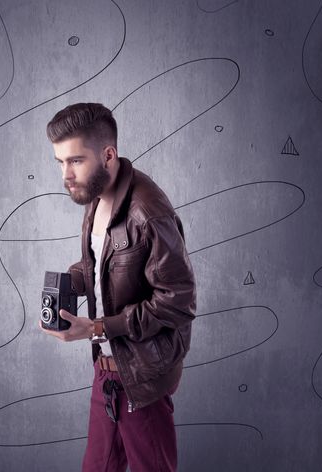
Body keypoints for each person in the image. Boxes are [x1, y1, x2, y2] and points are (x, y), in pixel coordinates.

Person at [40, 103, 196, 471]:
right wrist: (66, 285)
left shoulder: (148, 211)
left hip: (143, 378)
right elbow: (105, 266)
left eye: (75, 160)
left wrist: (95, 328)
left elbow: (178, 302)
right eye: (60, 162)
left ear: (108, 155)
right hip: (107, 371)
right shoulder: (95, 196)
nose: (66, 174)